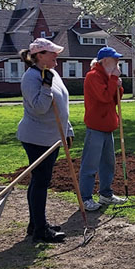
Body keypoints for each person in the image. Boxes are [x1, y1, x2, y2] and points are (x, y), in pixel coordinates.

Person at [16, 38, 70, 243]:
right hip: (37, 138)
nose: (56, 56)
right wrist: (46, 86)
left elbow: (63, 103)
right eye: (52, 53)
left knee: (40, 181)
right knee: (40, 182)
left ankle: (35, 223)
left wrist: (68, 131)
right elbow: (39, 108)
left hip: (53, 136)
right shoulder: (31, 77)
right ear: (39, 56)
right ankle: (40, 229)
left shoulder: (53, 73)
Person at [78, 46, 127, 211]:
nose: (118, 63)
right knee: (90, 164)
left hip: (108, 126)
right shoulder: (93, 77)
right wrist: (114, 80)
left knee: (108, 163)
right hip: (96, 127)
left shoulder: (108, 76)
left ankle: (106, 194)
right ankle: (85, 198)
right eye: (115, 60)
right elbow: (104, 97)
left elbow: (115, 99)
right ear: (105, 61)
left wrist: (118, 85)